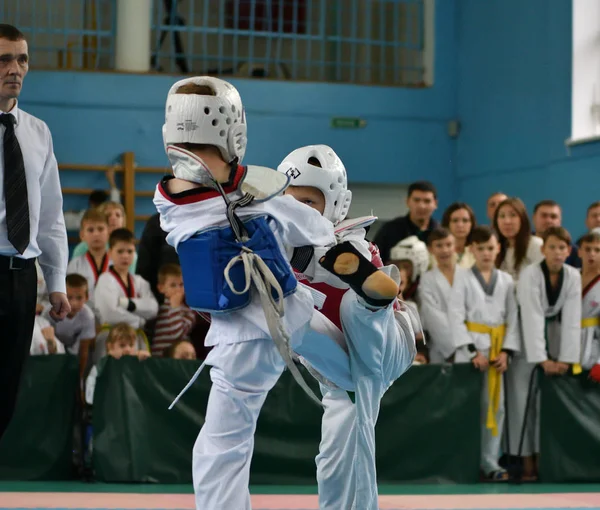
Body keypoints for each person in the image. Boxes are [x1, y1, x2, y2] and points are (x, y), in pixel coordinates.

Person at [153, 76, 336, 510]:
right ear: (233, 130)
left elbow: (205, 188)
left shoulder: (168, 201)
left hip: (252, 333)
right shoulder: (258, 197)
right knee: (349, 382)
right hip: (274, 323)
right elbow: (319, 229)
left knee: (221, 449)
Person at [278, 144, 417, 510]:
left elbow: (338, 270)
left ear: (336, 203)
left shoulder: (354, 242)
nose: (297, 210)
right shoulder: (278, 251)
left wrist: (309, 258)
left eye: (308, 202)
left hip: (388, 345)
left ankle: (372, 295)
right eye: (289, 201)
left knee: (359, 305)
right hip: (341, 373)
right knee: (333, 464)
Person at [0, 24, 70, 441]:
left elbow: (52, 217)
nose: (15, 69)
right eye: (4, 59)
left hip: (22, 278)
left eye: (22, 59)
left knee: (6, 393)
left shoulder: (37, 132)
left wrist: (56, 281)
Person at [449, 226, 519, 481]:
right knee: (468, 408)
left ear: (498, 249)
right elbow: (455, 316)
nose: (486, 253)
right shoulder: (462, 277)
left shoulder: (507, 280)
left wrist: (507, 353)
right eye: (481, 249)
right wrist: (471, 351)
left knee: (496, 408)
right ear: (472, 250)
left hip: (496, 352)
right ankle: (466, 462)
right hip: (472, 353)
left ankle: (491, 463)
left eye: (490, 248)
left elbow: (513, 318)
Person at [517, 226, 582, 481]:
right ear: (543, 250)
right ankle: (526, 463)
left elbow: (573, 319)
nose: (557, 252)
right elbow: (532, 316)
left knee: (550, 408)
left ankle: (549, 461)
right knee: (524, 405)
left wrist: (566, 358)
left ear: (569, 251)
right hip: (527, 346)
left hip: (557, 341)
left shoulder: (573, 276)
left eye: (562, 248)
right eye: (552, 247)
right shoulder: (529, 274)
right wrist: (542, 358)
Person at [419, 227, 467, 363]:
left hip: (471, 348)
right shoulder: (427, 279)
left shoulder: (467, 275)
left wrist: (470, 347)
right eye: (439, 246)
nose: (444, 250)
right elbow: (433, 317)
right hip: (443, 350)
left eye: (448, 244)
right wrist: (454, 351)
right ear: (430, 249)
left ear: (455, 247)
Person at [373, 180, 438, 263]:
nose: (421, 206)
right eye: (416, 200)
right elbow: (374, 261)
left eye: (427, 201)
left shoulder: (439, 233)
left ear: (435, 203)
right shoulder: (390, 230)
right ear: (407, 201)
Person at [579, 231, 600, 381]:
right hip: (563, 352)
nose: (591, 254)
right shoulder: (569, 277)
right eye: (587, 249)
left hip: (592, 353)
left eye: (597, 250)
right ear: (579, 251)